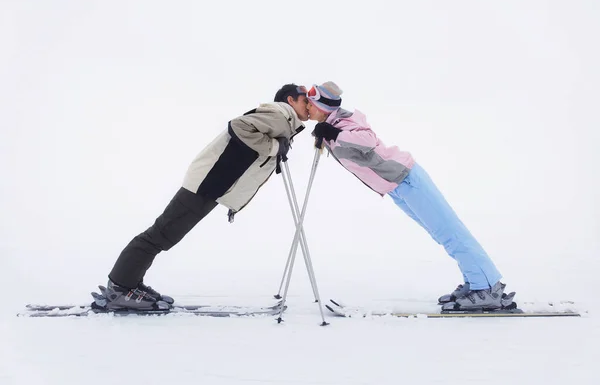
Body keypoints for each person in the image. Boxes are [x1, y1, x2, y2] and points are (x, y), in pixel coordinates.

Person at [101, 84, 309, 310]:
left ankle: (130, 284)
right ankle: (120, 288)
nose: (308, 105)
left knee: (164, 234)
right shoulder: (279, 115)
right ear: (290, 100)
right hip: (207, 182)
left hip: (214, 183)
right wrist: (274, 147)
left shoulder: (283, 119)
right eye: (304, 100)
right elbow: (239, 126)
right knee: (161, 234)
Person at [306, 81, 511, 311]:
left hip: (407, 178)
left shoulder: (345, 122)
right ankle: (476, 282)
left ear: (322, 106)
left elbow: (368, 141)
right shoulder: (333, 125)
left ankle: (487, 288)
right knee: (441, 234)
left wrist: (334, 133)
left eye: (310, 103)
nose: (307, 108)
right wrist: (328, 135)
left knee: (450, 231)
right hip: (396, 187)